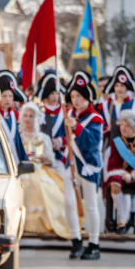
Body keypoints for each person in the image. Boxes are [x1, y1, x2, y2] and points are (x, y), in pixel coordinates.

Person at [64, 72, 105, 260]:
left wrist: (77, 127)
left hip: (88, 165)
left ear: (87, 98)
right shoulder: (70, 115)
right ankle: (76, 241)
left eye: (79, 96)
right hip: (71, 164)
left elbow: (92, 143)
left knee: (90, 205)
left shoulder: (96, 119)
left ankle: (94, 244)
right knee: (69, 203)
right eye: (73, 97)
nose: (76, 100)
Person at [37, 72, 82, 242]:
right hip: (43, 159)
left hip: (61, 158)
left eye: (57, 93)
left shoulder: (66, 112)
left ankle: (63, 222)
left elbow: (70, 134)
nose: (55, 97)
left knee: (62, 190)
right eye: (52, 93)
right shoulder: (39, 110)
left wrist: (61, 141)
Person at [18, 101, 71, 239]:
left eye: (31, 116)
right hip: (23, 170)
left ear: (37, 118)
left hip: (40, 169)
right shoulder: (19, 137)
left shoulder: (43, 137)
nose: (28, 119)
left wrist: (44, 158)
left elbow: (51, 160)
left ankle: (43, 223)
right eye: (26, 116)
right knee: (25, 185)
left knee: (41, 185)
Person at [103, 109, 135, 234]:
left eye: (127, 125)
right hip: (122, 176)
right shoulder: (116, 144)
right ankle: (123, 220)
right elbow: (113, 163)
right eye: (122, 125)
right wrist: (124, 173)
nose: (123, 128)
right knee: (114, 182)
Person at [0, 70, 29, 165]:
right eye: (4, 96)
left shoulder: (15, 114)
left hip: (15, 156)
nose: (8, 99)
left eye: (10, 96)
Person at [100, 66, 135, 133]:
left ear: (127, 87)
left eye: (122, 86)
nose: (119, 89)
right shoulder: (106, 106)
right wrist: (107, 129)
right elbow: (100, 128)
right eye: (117, 86)